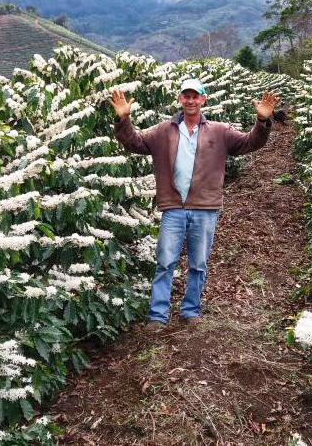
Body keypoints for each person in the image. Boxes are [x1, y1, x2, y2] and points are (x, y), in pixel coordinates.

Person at [108, 78, 279, 328]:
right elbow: (135, 142)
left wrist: (262, 122)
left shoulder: (219, 131)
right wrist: (123, 120)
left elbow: (248, 143)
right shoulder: (163, 130)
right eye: (186, 96)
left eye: (195, 96)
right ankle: (157, 316)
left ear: (203, 99)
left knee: (198, 263)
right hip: (174, 207)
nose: (190, 100)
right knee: (165, 262)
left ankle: (191, 311)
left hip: (205, 207)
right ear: (180, 99)